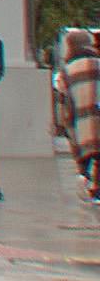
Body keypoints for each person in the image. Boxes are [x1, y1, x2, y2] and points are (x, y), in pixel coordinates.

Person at [52, 29, 99, 202]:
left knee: (85, 154)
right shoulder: (98, 64)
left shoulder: (67, 72)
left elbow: (64, 106)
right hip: (98, 117)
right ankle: (97, 188)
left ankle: (84, 176)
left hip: (80, 124)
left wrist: (64, 125)